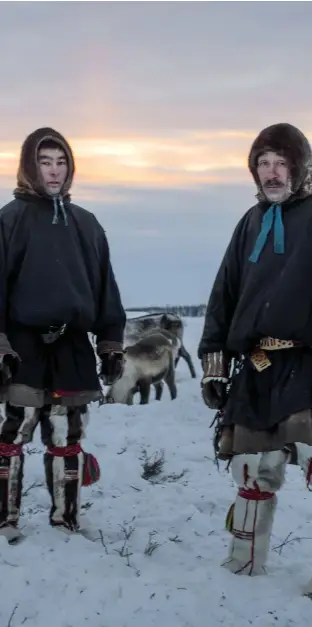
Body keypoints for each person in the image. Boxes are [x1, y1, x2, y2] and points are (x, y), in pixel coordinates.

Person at [198, 122, 312, 603]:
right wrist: (216, 359)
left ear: (299, 167)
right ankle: (244, 560)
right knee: (251, 469)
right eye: (263, 164)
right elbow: (225, 294)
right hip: (257, 366)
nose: (272, 173)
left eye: (281, 163)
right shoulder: (250, 222)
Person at [0, 127, 126, 538]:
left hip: (72, 345)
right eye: (44, 162)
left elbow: (105, 287)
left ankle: (65, 517)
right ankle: (6, 519)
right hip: (23, 345)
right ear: (29, 167)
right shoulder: (10, 219)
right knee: (15, 429)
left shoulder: (87, 224)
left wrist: (110, 343)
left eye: (61, 162)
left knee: (66, 433)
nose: (54, 172)